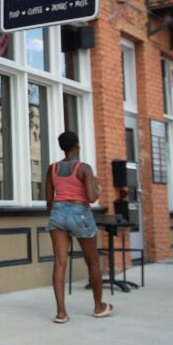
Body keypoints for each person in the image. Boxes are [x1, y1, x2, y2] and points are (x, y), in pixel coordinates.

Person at [45, 131, 113, 323]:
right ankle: (99, 307)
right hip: (80, 212)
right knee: (92, 261)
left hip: (57, 213)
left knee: (59, 263)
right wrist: (97, 187)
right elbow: (92, 197)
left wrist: (59, 213)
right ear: (76, 146)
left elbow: (49, 201)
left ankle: (61, 313)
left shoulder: (52, 168)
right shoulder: (84, 168)